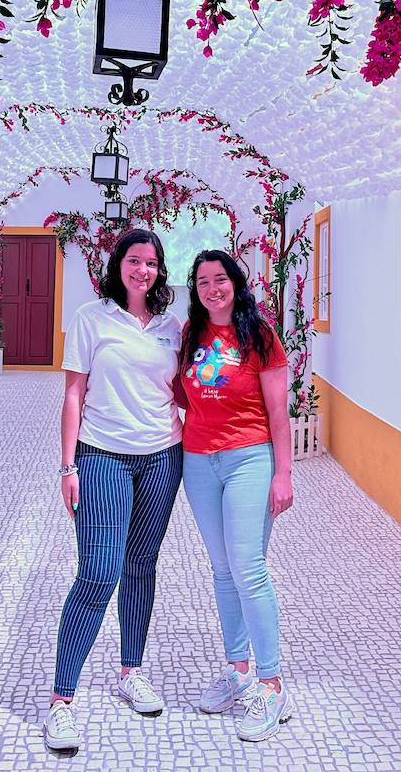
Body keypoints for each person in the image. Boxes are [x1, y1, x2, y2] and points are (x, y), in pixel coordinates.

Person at [43, 228, 185, 754]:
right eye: (133, 260)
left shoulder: (173, 327)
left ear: (159, 270)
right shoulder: (91, 318)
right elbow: (73, 395)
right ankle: (61, 700)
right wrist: (67, 466)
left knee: (141, 565)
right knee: (99, 570)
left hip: (162, 458)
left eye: (150, 263)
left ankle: (131, 670)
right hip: (101, 455)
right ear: (117, 264)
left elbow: (186, 389)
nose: (141, 270)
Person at [178, 249, 295, 742]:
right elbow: (182, 395)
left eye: (219, 279)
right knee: (223, 570)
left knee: (248, 567)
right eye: (202, 281)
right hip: (199, 461)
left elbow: (279, 412)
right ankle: (239, 670)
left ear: (235, 282)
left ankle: (271, 685)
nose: (212, 289)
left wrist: (283, 474)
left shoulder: (261, 336)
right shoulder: (190, 335)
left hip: (250, 458)